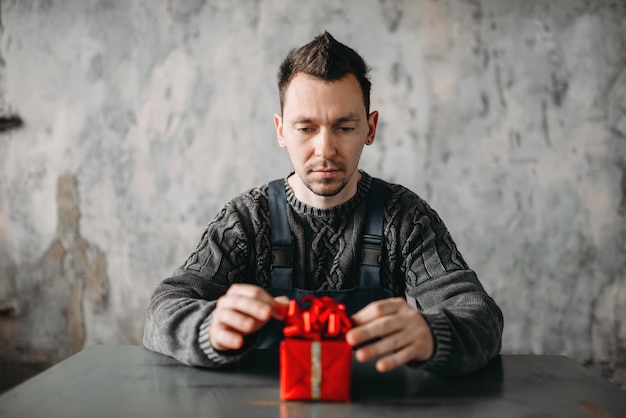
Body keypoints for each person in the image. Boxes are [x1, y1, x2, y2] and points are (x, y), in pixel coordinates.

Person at [143, 31, 503, 376]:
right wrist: (208, 330)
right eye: (305, 128)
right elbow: (162, 311)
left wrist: (433, 334)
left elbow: (480, 317)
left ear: (370, 128)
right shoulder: (246, 220)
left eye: (344, 127)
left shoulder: (405, 218)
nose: (325, 150)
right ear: (281, 130)